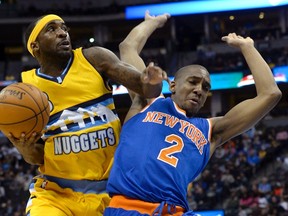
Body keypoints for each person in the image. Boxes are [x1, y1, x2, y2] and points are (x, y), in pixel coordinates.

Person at [104, 11, 282, 215]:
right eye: (193, 82)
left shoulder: (211, 130)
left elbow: (270, 93)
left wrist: (248, 47)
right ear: (172, 85)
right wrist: (152, 23)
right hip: (128, 208)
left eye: (205, 87)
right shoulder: (147, 100)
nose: (199, 89)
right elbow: (128, 48)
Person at [6, 14, 165, 216]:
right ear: (35, 46)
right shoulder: (26, 90)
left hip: (111, 193)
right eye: (51, 29)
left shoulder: (93, 58)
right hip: (56, 195)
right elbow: (36, 157)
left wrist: (151, 80)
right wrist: (24, 148)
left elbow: (145, 89)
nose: (63, 33)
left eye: (64, 28)